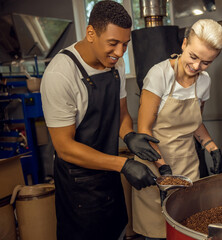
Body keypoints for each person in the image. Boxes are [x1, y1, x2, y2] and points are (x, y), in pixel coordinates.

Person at [40, 1, 161, 239]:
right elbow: (64, 148)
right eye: (113, 43)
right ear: (91, 33)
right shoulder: (60, 75)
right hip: (79, 187)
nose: (119, 52)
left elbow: (121, 112)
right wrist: (123, 164)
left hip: (109, 176)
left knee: (115, 231)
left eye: (125, 45)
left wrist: (129, 135)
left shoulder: (115, 63)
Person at [132, 19, 222, 239]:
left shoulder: (204, 82)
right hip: (154, 167)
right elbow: (144, 130)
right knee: (156, 232)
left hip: (187, 166)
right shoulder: (159, 74)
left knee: (187, 229)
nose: (196, 67)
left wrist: (211, 146)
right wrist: (165, 172)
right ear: (184, 44)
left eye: (205, 63)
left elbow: (195, 123)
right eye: (193, 57)